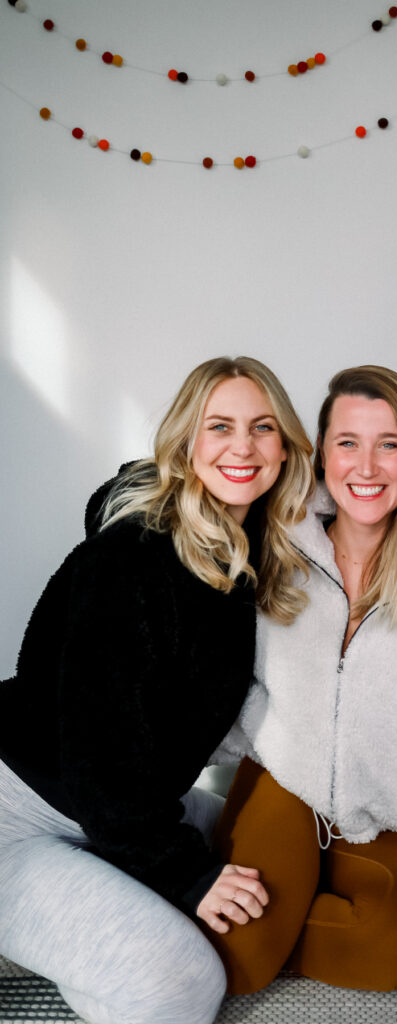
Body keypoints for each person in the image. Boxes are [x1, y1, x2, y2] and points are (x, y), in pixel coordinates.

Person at [0, 356, 313, 1024]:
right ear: (185, 443)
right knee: (181, 982)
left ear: (285, 447)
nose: (242, 446)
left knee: (279, 854)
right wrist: (185, 876)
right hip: (21, 810)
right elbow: (99, 755)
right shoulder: (133, 558)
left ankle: (85, 928)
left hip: (117, 804)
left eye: (262, 428)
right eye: (219, 426)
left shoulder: (249, 550)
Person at [210, 365, 397, 994]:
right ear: (321, 455)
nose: (365, 467)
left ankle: (291, 909)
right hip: (284, 789)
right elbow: (227, 678)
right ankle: (249, 893)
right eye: (348, 443)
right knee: (234, 963)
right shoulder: (276, 545)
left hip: (385, 820)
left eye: (388, 444)